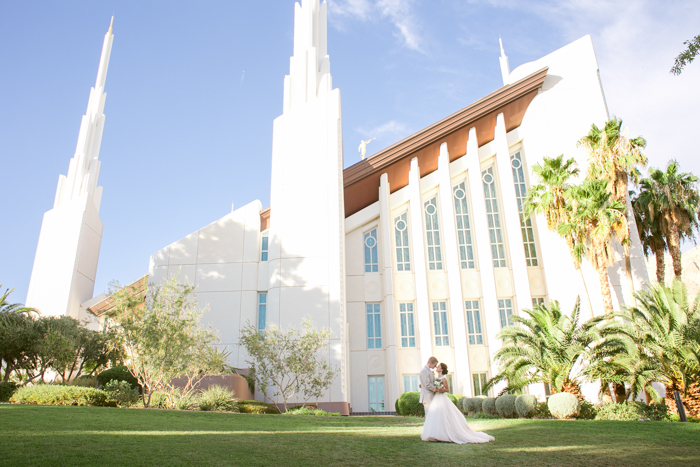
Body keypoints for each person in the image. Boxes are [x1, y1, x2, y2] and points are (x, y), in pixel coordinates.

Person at [421, 363, 495, 444]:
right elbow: (433, 387)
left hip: (441, 398)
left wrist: (439, 390)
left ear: (441, 369)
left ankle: (443, 434)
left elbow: (447, 390)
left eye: (438, 367)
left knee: (443, 415)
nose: (436, 367)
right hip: (436, 398)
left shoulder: (443, 378)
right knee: (436, 416)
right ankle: (435, 433)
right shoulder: (438, 377)